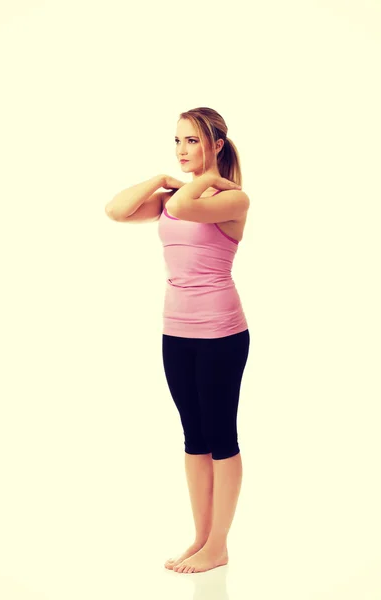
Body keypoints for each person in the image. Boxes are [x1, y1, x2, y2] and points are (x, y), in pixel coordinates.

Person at [105, 107, 251, 574]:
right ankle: (201, 537)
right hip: (176, 332)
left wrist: (203, 181)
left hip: (220, 333)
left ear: (217, 145)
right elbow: (116, 210)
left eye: (192, 141)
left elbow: (188, 207)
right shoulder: (175, 194)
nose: (182, 150)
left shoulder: (234, 200)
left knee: (221, 436)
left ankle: (220, 545)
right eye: (177, 141)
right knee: (194, 437)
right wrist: (158, 179)